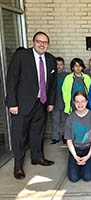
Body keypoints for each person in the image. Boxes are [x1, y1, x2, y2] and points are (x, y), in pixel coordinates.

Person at [6, 31, 57, 179]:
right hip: (21, 105)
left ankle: (37, 157)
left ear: (48, 44)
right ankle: (18, 165)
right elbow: (11, 80)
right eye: (39, 41)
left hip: (41, 104)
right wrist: (12, 103)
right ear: (33, 42)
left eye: (45, 42)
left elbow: (52, 84)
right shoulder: (21, 56)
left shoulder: (50, 59)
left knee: (37, 133)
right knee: (19, 136)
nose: (42, 44)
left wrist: (51, 102)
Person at [64, 91, 91, 182]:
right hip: (75, 150)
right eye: (77, 101)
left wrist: (88, 156)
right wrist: (75, 156)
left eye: (82, 101)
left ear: (86, 102)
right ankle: (78, 162)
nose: (80, 104)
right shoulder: (70, 118)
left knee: (87, 177)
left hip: (89, 149)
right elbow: (69, 141)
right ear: (74, 103)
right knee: (73, 178)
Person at [51, 57, 69, 144]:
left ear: (63, 65)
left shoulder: (67, 75)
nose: (59, 66)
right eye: (57, 64)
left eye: (61, 64)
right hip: (55, 102)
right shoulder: (51, 75)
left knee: (66, 121)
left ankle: (65, 136)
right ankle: (55, 137)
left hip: (65, 102)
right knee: (55, 121)